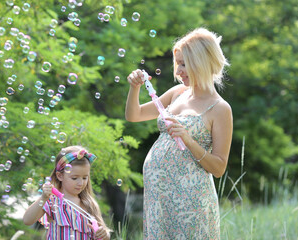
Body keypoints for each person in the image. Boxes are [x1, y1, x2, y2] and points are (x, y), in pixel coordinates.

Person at [125, 28, 233, 239]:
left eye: (184, 64)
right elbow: (134, 115)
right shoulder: (177, 94)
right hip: (159, 197)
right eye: (178, 64)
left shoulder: (220, 108)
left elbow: (219, 167)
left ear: (202, 63)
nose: (178, 71)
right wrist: (135, 88)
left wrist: (188, 139)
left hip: (190, 201)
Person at [23, 145, 111, 240]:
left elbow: (103, 232)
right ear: (60, 176)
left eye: (85, 177)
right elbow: (27, 220)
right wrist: (43, 198)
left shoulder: (89, 204)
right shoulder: (52, 202)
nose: (80, 183)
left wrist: (104, 234)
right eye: (74, 178)